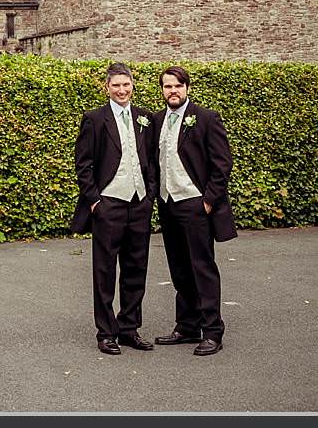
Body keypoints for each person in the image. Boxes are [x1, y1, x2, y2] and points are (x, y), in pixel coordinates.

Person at [70, 62, 161, 355]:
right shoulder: (94, 119)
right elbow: (83, 164)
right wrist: (95, 200)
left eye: (126, 84)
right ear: (107, 87)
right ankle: (106, 331)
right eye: (116, 85)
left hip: (139, 203)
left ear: (132, 85)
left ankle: (129, 328)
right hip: (108, 203)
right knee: (105, 270)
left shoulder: (145, 117)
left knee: (136, 267)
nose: (122, 90)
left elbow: (151, 158)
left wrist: (150, 194)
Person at [152, 65, 233, 356]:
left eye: (177, 86)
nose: (172, 91)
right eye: (167, 86)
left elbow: (222, 163)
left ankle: (213, 331)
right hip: (168, 202)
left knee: (202, 267)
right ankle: (187, 326)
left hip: (196, 203)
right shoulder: (157, 119)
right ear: (162, 89)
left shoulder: (207, 118)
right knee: (179, 267)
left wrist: (208, 200)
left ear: (187, 87)